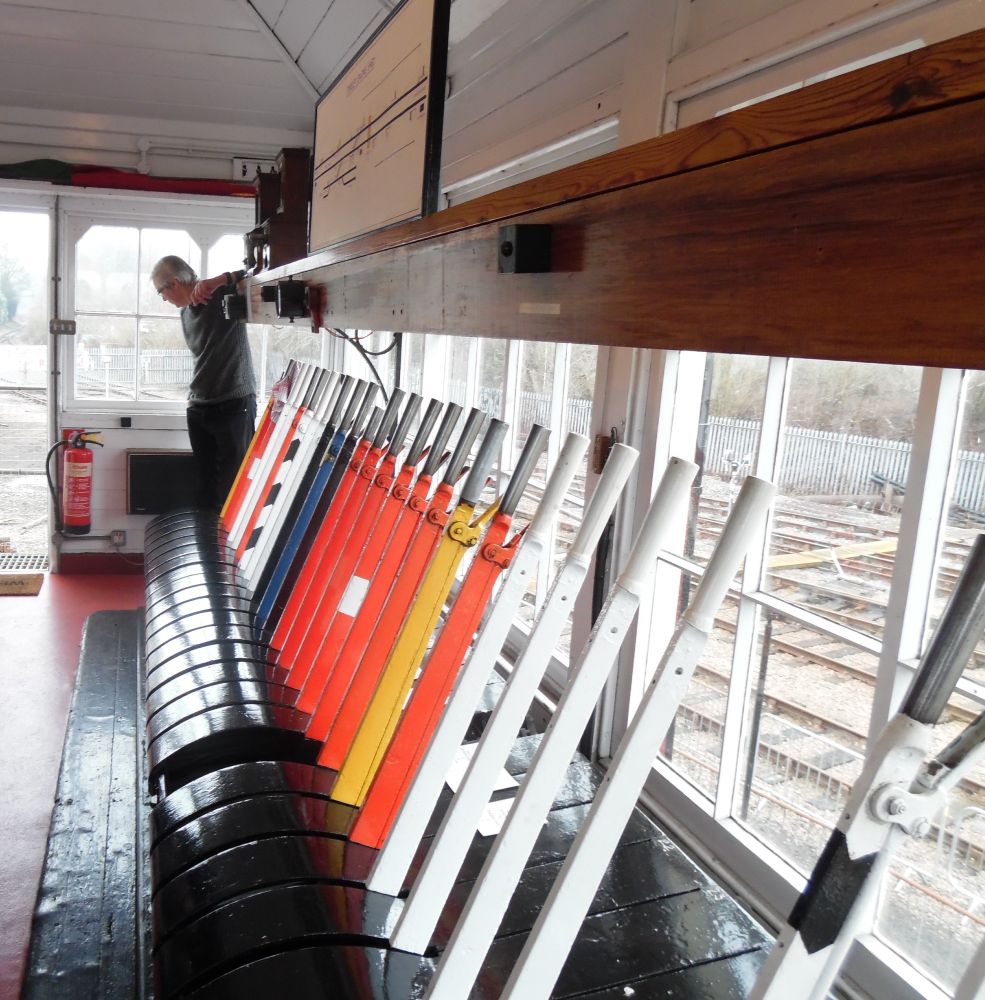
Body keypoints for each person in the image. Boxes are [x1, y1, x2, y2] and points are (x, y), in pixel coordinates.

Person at [150, 255, 257, 511]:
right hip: (199, 407)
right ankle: (210, 547)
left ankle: (231, 548)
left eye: (161, 292)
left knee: (234, 486)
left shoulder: (220, 295)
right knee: (205, 487)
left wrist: (220, 280)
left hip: (233, 403)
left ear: (174, 283)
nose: (163, 299)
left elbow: (256, 271)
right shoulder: (185, 312)